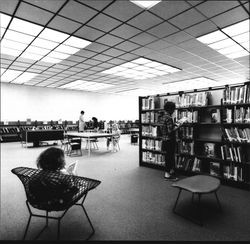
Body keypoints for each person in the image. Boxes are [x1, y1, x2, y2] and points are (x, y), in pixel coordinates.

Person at [158, 101, 187, 181]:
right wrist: (179, 125)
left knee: (168, 156)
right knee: (170, 157)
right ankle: (167, 175)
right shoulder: (169, 117)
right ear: (170, 109)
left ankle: (170, 171)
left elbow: (163, 129)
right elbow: (170, 130)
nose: (174, 111)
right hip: (170, 140)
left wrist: (175, 124)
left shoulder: (162, 117)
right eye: (173, 109)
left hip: (164, 140)